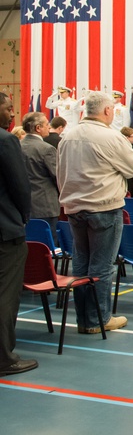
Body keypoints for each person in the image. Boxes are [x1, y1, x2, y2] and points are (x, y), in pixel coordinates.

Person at [57, 91, 133, 335]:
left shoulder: (67, 135)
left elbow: (59, 171)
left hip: (74, 207)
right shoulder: (110, 136)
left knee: (81, 264)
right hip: (103, 207)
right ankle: (98, 319)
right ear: (106, 111)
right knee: (102, 267)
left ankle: (84, 319)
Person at [0, 92, 37, 377]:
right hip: (5, 232)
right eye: (8, 108)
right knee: (5, 296)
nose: (13, 114)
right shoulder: (7, 140)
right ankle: (4, 357)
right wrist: (23, 218)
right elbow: (21, 188)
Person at [20, 112, 60, 241]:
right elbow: (58, 176)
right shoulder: (46, 149)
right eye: (47, 124)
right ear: (38, 128)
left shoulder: (16, 145)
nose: (49, 127)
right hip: (45, 206)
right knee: (47, 250)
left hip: (21, 205)